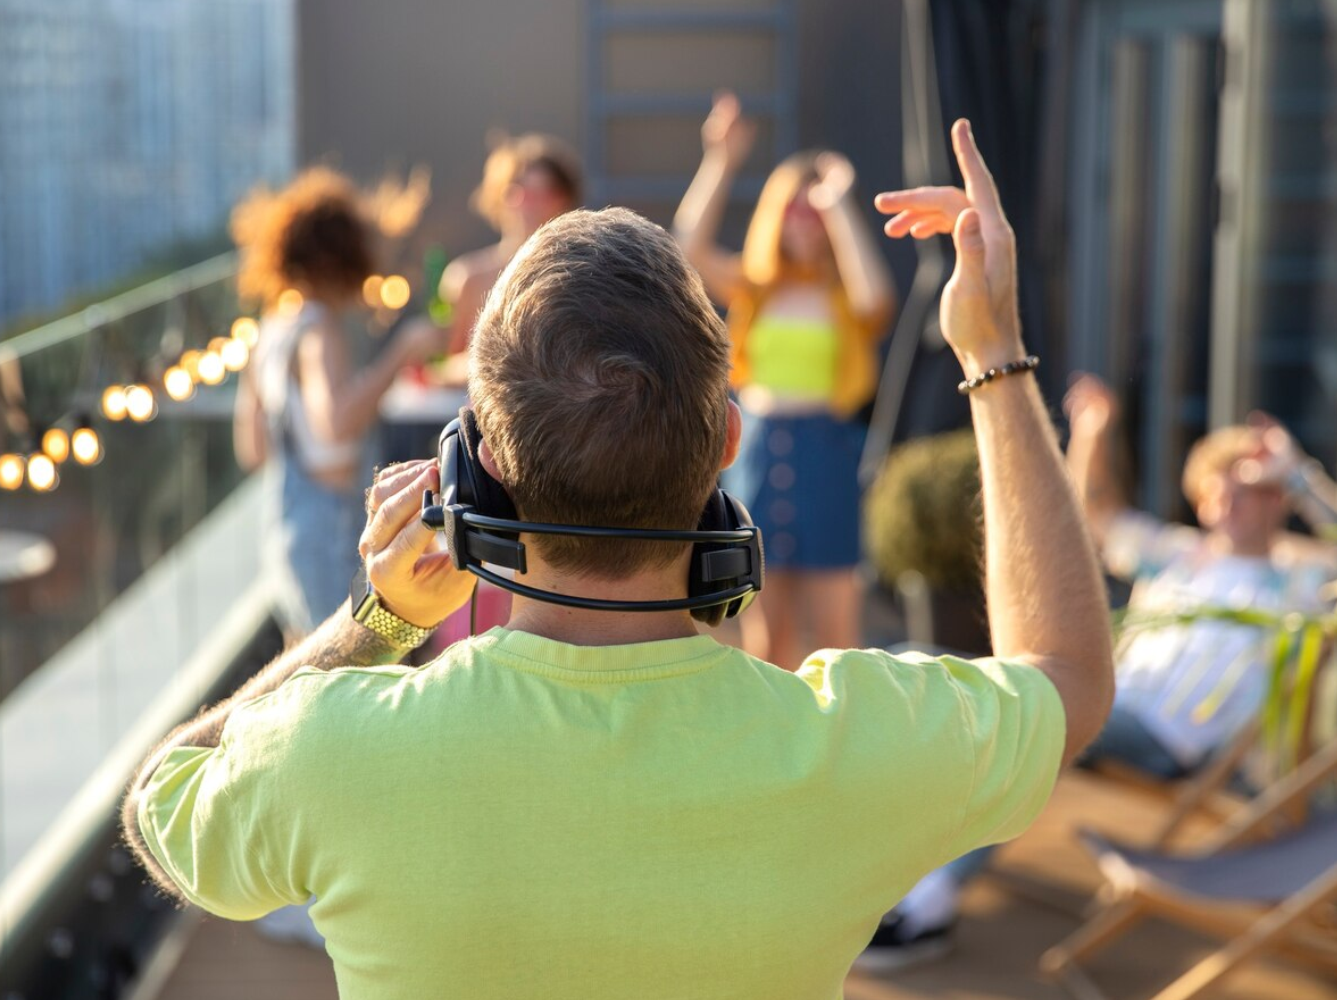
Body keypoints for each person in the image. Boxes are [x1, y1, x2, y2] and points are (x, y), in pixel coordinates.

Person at [124, 120, 1114, 999]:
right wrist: (993, 358)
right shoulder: (849, 739)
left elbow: (161, 796)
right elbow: (1065, 677)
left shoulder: (333, 748)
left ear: (476, 466)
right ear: (726, 440)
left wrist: (374, 623)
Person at [856, 371, 1337, 970]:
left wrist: (1300, 473)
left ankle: (924, 904)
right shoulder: (1179, 555)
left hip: (1164, 736)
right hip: (1107, 702)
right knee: (910, 661)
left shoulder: (1304, 576)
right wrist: (1092, 431)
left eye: (1257, 489)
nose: (1237, 499)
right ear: (1203, 497)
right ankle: (894, 867)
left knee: (1019, 723)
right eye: (1223, 487)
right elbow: (1084, 518)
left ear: (1279, 501)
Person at [673, 92, 896, 668]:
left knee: (837, 640)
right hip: (761, 448)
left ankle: (837, 753)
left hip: (825, 447)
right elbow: (687, 248)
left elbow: (878, 300)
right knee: (767, 642)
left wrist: (840, 204)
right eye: (793, 208)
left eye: (813, 210)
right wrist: (720, 159)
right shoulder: (757, 284)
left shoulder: (844, 292)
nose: (804, 220)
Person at [232, 167, 442, 640]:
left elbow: (253, 450)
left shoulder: (270, 329)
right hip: (331, 523)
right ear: (343, 255)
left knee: (304, 664)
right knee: (353, 663)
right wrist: (401, 352)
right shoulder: (320, 328)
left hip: (283, 522)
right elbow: (338, 424)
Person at [438, 132, 582, 365]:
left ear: (563, 201)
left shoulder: (580, 275)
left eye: (544, 193)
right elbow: (443, 362)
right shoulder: (468, 276)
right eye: (520, 191)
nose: (530, 205)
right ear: (500, 195)